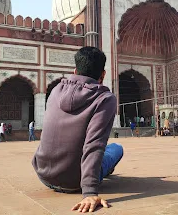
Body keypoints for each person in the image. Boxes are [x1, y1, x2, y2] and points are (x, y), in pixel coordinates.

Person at [32, 47, 123, 213]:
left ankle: (98, 170)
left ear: (75, 70)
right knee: (116, 148)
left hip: (43, 174)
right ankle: (100, 172)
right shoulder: (104, 99)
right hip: (74, 181)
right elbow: (94, 145)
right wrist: (89, 192)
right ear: (103, 75)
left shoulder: (55, 90)